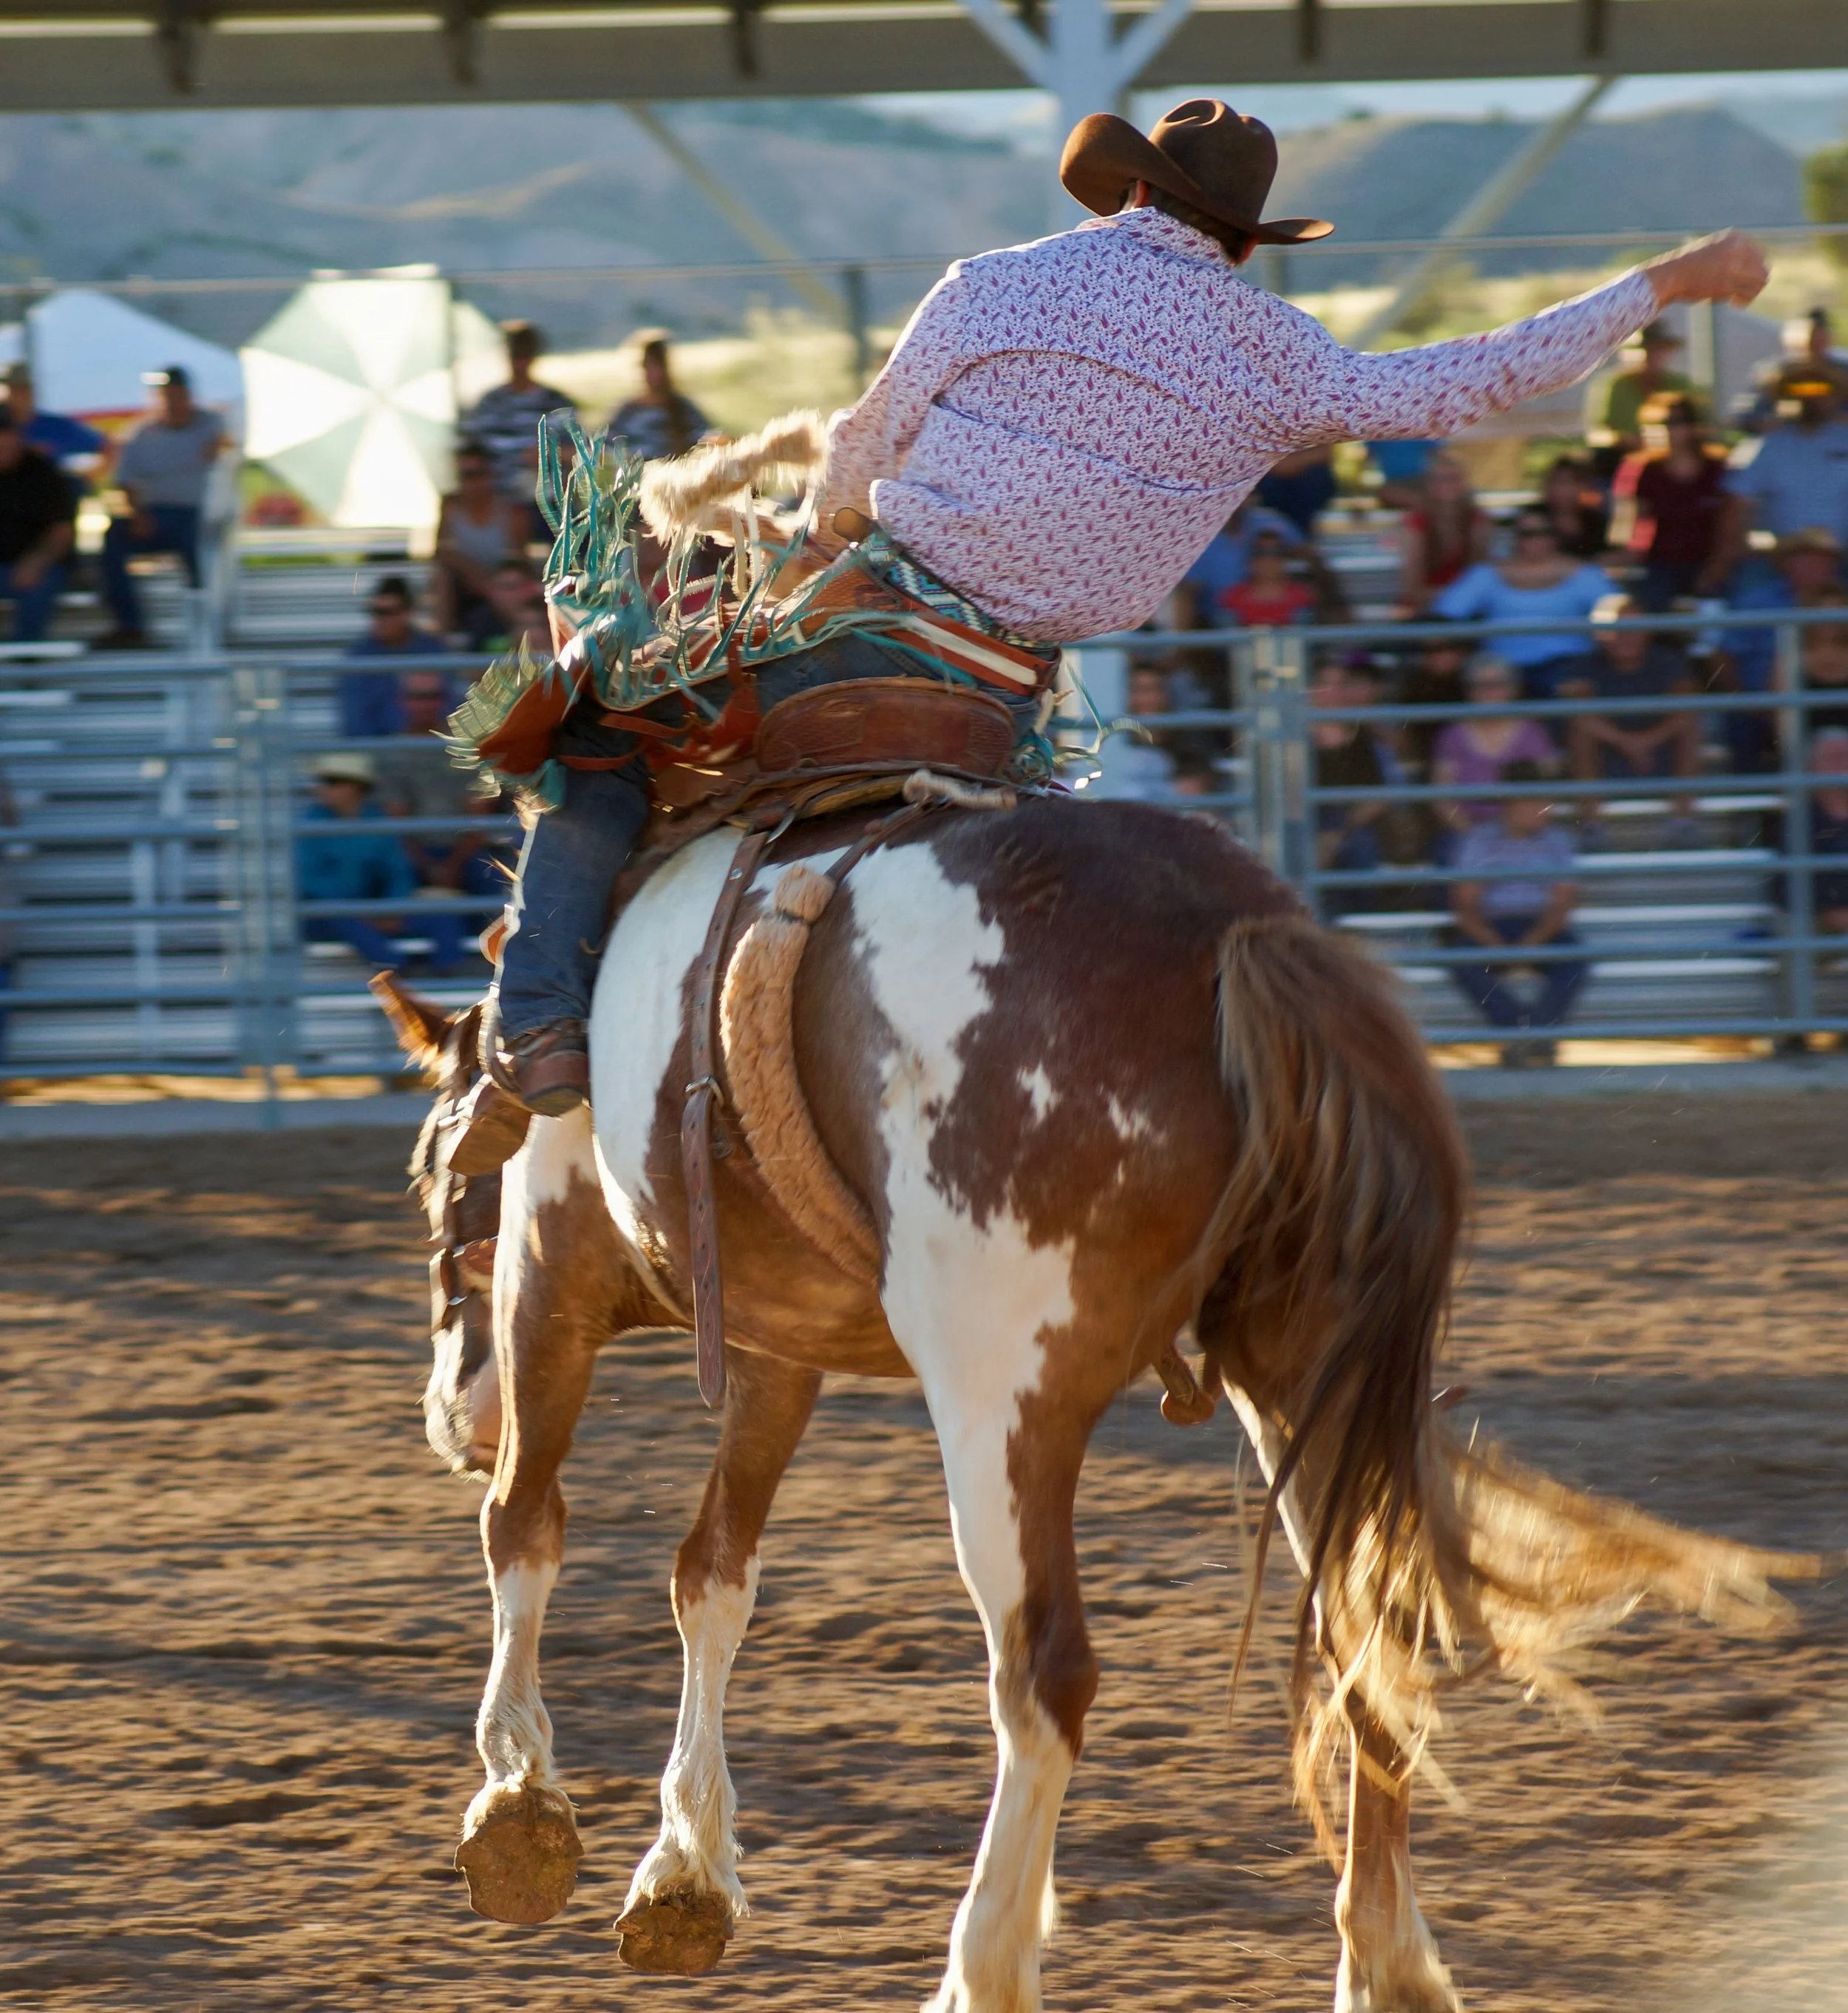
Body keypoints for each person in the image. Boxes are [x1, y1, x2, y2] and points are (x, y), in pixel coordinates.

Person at [455, 94, 1767, 1129]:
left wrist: (816, 544)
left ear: (1134, 188)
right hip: (1008, 692)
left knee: (593, 740)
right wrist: (1661, 284)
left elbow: (861, 450)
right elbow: (1469, 380)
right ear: (1243, 239)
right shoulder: (1277, 354)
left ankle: (544, 1018)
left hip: (871, 625)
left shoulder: (993, 282)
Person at [1449, 761, 1587, 1065]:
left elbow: (1562, 903)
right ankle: (1528, 1033)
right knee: (1462, 960)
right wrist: (1492, 943)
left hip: (1542, 925)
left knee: (1575, 958)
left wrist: (1533, 942)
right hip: (1493, 925)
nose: (1545, 810)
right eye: (1536, 802)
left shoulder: (1558, 840)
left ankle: (1524, 1035)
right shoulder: (1481, 839)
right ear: (1512, 804)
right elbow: (1466, 904)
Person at [377, 671, 507, 966]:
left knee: (496, 884)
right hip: (412, 853)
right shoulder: (392, 752)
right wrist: (427, 865)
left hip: (467, 850)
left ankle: (489, 967)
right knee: (394, 878)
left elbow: (479, 814)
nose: (425, 704)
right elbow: (397, 821)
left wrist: (451, 864)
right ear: (402, 701)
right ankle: (410, 966)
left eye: (432, 696)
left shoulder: (467, 746)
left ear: (444, 700)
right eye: (417, 696)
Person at [96, 366, 224, 649]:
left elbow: (229, 449)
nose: (171, 400)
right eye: (164, 394)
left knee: (200, 546)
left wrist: (221, 448)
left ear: (188, 394)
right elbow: (124, 481)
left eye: (176, 393)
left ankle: (207, 624)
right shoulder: (140, 434)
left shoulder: (212, 424)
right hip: (154, 513)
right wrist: (137, 514)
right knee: (113, 540)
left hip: (197, 515)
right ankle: (130, 625)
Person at [1557, 602, 1702, 846]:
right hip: (1607, 759)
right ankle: (1592, 825)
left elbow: (1687, 708)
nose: (1625, 637)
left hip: (1659, 755)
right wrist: (1628, 743)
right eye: (1617, 629)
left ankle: (1683, 822)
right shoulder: (1585, 665)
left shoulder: (1668, 662)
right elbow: (1579, 714)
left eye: (1633, 628)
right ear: (1602, 633)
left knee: (1690, 728)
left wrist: (1646, 741)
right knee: (1579, 735)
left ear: (1647, 632)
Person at [1431, 506, 1613, 700]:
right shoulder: (1487, 574)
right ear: (1515, 538)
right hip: (1500, 669)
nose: (1535, 540)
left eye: (1544, 533)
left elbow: (1621, 615)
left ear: (1556, 536)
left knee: (1577, 688)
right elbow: (1445, 615)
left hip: (1570, 665)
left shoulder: (1585, 575)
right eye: (1526, 534)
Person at [1722, 527, 1847, 773]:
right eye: (1804, 558)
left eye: (1820, 559)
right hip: (1764, 702)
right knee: (1744, 723)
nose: (1813, 566)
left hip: (1834, 701)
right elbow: (1724, 653)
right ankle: (1761, 804)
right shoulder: (1757, 602)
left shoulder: (1843, 602)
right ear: (1785, 563)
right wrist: (1743, 698)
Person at [295, 751, 422, 972]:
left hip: (370, 911)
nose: (321, 788)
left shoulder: (379, 822)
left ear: (356, 787)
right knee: (339, 915)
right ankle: (398, 971)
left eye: (331, 782)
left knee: (441, 917)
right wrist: (364, 912)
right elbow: (310, 881)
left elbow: (399, 872)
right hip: (329, 917)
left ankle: (447, 972)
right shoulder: (309, 824)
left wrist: (393, 908)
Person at [1715, 373, 1848, 568]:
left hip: (1842, 560)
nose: (1810, 399)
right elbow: (1737, 505)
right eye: (1800, 392)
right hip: (1779, 562)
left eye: (1819, 391)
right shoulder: (1764, 448)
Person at [1610, 396, 1730, 609]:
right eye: (1658, 424)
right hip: (1658, 563)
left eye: (1676, 423)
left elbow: (1730, 524)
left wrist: (1717, 567)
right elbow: (1628, 524)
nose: (1667, 431)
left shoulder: (1717, 468)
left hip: (1709, 561)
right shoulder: (1642, 469)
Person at [1430, 653, 1558, 852]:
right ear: (1469, 691)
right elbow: (1443, 799)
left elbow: (1549, 792)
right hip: (1467, 830)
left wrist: (1517, 832)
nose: (1489, 692)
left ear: (1512, 689)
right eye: (1480, 686)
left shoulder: (1533, 734)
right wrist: (1474, 835)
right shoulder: (1452, 736)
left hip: (1525, 829)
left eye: (1497, 684)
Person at [461, 322, 575, 509]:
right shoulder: (489, 404)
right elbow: (470, 453)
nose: (520, 362)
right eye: (515, 355)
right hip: (497, 503)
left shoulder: (558, 404)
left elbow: (581, 455)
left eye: (525, 354)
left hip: (547, 503)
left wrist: (550, 455)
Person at [434, 441, 529, 638]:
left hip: (502, 584)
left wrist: (491, 582)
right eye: (464, 475)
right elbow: (441, 552)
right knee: (441, 577)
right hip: (465, 585)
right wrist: (473, 574)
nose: (470, 483)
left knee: (511, 583)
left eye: (476, 474)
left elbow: (518, 559)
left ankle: (518, 638)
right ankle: (443, 643)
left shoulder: (512, 512)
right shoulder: (450, 506)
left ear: (489, 475)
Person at [0, 407, 75, 643]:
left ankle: (26, 662)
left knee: (39, 584)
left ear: (19, 436)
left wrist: (36, 561)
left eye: (7, 434)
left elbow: (63, 530)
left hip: (41, 566)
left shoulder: (45, 473)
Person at [340, 575, 445, 740]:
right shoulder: (359, 656)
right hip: (377, 748)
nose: (379, 619)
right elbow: (355, 716)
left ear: (407, 613)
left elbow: (449, 705)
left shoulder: (432, 650)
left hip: (429, 745)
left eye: (387, 613)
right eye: (375, 612)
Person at [1399, 451, 1491, 611]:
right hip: (1426, 607)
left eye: (1454, 479)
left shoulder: (1476, 520)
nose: (1448, 485)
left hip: (1467, 605)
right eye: (1441, 480)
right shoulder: (1417, 523)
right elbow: (1413, 588)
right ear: (1428, 484)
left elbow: (1479, 575)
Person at [605, 333, 713, 464]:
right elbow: (607, 447)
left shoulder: (681, 409)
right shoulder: (627, 413)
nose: (650, 372)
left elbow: (704, 438)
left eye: (655, 365)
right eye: (645, 366)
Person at [1594, 319, 1694, 462]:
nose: (1649, 356)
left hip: (1674, 456)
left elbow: (1697, 426)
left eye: (1657, 349)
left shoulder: (1681, 385)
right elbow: (1600, 431)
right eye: (1644, 349)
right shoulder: (1614, 386)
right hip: (1624, 456)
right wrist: (1626, 441)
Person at [3, 364, 104, 480]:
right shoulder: (6, 427)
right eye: (12, 389)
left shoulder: (57, 426)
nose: (18, 395)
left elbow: (108, 446)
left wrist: (85, 482)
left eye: (22, 389)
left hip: (48, 492)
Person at [1221, 526, 1316, 626]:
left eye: (1276, 554)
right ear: (1250, 560)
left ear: (1284, 559)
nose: (1268, 560)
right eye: (1261, 553)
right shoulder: (1232, 598)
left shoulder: (1302, 597)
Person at [1539, 452, 1608, 560]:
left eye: (1573, 483)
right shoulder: (1533, 519)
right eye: (1558, 482)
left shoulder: (1598, 522)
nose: (1564, 491)